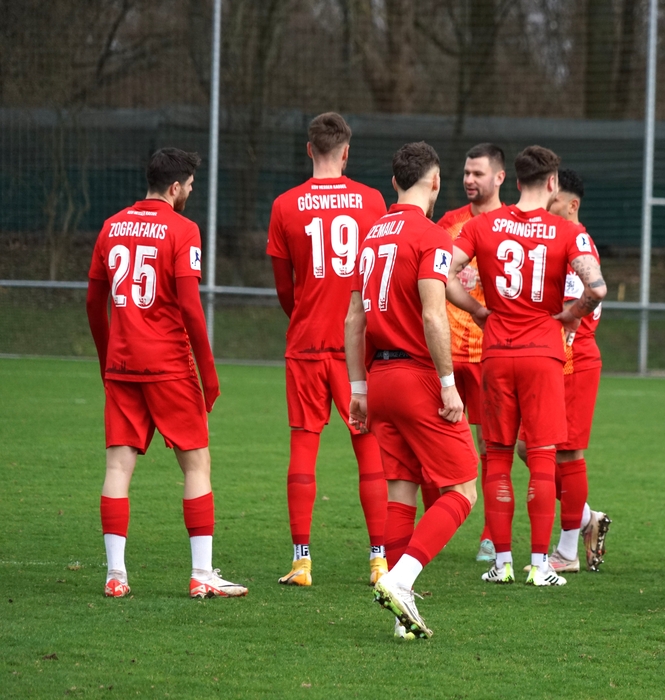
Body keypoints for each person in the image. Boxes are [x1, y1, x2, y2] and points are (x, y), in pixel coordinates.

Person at [85, 148, 247, 599]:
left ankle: (115, 576)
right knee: (196, 464)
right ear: (175, 187)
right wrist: (209, 376)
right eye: (190, 186)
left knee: (117, 466)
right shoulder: (182, 229)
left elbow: (93, 303)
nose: (191, 192)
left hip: (122, 367)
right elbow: (191, 308)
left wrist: (107, 360)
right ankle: (202, 574)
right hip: (170, 367)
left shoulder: (111, 226)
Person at [446, 146, 607, 586]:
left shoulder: (482, 225)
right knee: (541, 455)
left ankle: (501, 564)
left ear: (514, 182)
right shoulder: (566, 230)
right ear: (552, 183)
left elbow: (443, 275)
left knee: (498, 456)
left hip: (496, 352)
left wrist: (477, 311)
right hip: (543, 353)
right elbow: (597, 288)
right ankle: (540, 565)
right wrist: (570, 315)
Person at [344, 141, 480, 639]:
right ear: (436, 181)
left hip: (379, 379)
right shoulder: (431, 235)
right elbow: (433, 314)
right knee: (463, 489)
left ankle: (401, 618)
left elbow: (354, 319)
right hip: (417, 376)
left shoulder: (371, 236)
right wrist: (448, 384)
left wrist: (358, 387)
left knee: (401, 489)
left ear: (394, 181)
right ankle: (401, 580)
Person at [267, 112, 389, 588]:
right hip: (357, 344)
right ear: (346, 152)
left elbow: (285, 288)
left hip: (307, 342)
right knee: (369, 447)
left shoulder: (285, 205)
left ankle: (302, 562)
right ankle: (378, 561)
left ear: (308, 150)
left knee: (303, 446)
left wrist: (305, 315)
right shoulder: (372, 201)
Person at [515, 169, 612, 574]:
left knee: (568, 451)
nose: (545, 205)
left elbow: (579, 302)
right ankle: (586, 516)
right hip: (552, 356)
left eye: (552, 200)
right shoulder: (556, 239)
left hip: (574, 355)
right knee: (528, 447)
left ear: (571, 205)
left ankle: (568, 551)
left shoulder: (577, 241)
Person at [421, 143, 506, 563]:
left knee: (492, 446)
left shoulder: (512, 225)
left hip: (491, 352)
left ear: (500, 178)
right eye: (466, 173)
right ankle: (434, 525)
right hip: (448, 352)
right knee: (431, 444)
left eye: (478, 173)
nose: (469, 180)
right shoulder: (448, 223)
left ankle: (491, 534)